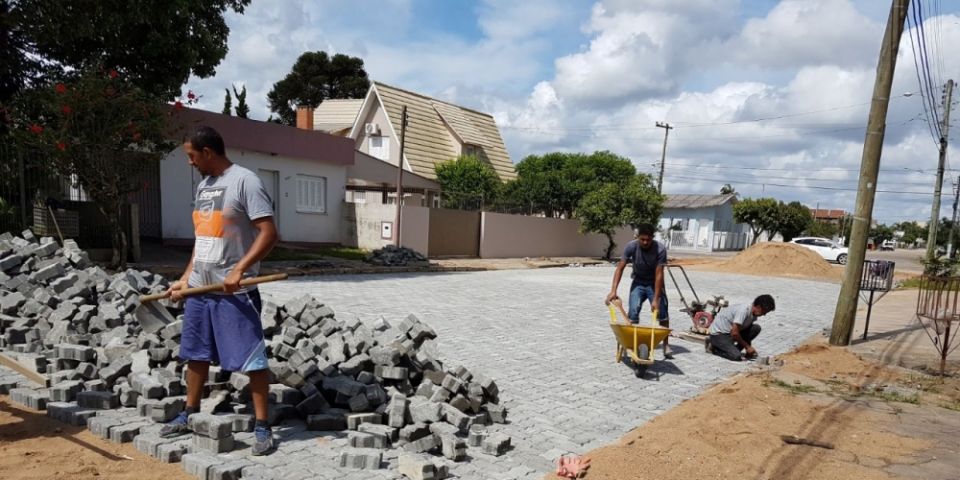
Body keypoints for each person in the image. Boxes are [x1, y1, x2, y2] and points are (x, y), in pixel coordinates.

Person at [158, 126, 279, 456]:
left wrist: (240, 270)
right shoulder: (204, 187)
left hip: (234, 292)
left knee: (252, 358)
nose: (190, 162)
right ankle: (189, 412)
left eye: (191, 156)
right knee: (195, 354)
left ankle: (263, 426)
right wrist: (186, 278)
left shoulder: (245, 181)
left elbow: (268, 233)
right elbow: (203, 239)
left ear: (208, 152)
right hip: (201, 288)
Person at [605, 223, 672, 358]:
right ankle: (630, 342)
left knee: (663, 313)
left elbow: (659, 274)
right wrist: (613, 290)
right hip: (639, 282)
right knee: (633, 312)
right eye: (642, 239)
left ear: (653, 237)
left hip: (655, 283)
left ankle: (665, 344)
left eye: (648, 239)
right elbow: (620, 268)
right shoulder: (631, 246)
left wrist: (655, 299)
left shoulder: (660, 249)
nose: (645, 242)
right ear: (638, 237)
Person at [707, 294, 776, 361]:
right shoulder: (743, 311)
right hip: (719, 335)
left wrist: (749, 350)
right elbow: (734, 333)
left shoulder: (753, 314)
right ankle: (713, 348)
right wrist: (747, 347)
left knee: (756, 328)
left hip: (730, 333)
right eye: (764, 312)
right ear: (758, 307)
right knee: (736, 356)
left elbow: (746, 332)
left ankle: (733, 349)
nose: (764, 315)